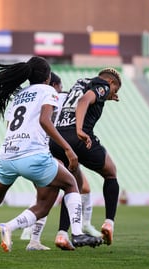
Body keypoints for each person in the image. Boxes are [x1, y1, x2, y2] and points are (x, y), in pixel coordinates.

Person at [0, 57, 102, 257]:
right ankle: (76, 234)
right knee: (70, 183)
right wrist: (68, 148)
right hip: (33, 156)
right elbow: (44, 121)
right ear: (48, 77)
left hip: (7, 156)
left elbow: (10, 127)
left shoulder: (18, 96)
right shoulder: (49, 91)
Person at [21, 72, 101, 251]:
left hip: (33, 149)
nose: (62, 89)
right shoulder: (56, 97)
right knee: (55, 195)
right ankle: (17, 228)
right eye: (60, 85)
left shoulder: (34, 100)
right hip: (56, 149)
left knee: (49, 195)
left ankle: (34, 237)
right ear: (53, 85)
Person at [49, 68, 122, 249]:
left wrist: (106, 97)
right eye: (115, 90)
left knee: (71, 185)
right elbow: (84, 101)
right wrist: (80, 130)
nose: (113, 94)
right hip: (77, 138)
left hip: (57, 139)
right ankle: (109, 223)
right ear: (111, 83)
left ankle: (62, 234)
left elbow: (79, 98)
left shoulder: (82, 82)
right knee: (111, 172)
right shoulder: (103, 85)